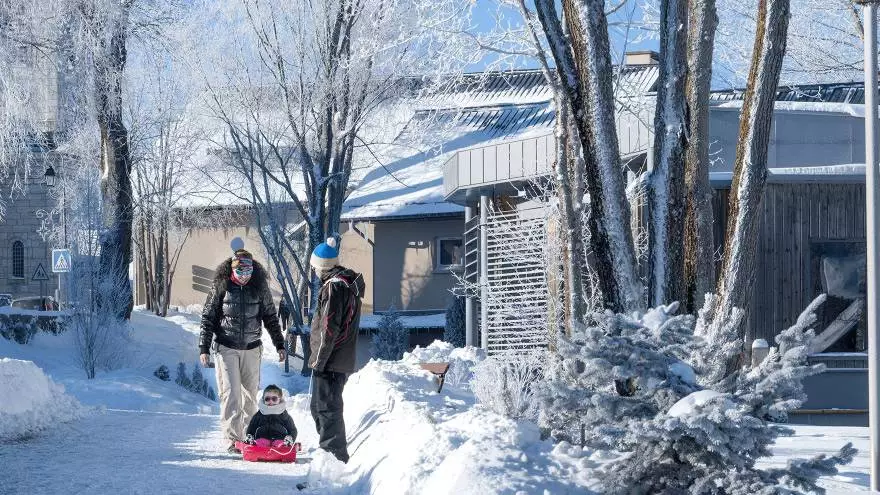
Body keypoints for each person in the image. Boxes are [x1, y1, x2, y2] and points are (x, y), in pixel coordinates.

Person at [199, 246, 286, 453]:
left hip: (252, 348)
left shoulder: (259, 286)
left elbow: (270, 317)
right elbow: (208, 317)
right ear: (232, 270)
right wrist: (203, 347)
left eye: (248, 272)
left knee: (249, 395)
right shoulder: (221, 285)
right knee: (231, 393)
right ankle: (232, 439)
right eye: (240, 272)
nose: (244, 277)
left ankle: (249, 435)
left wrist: (280, 344)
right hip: (226, 347)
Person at [308, 237, 365, 463]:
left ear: (321, 266)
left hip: (331, 360)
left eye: (314, 267)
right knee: (321, 408)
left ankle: (334, 459)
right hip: (338, 359)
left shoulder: (334, 287)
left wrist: (319, 362)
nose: (313, 271)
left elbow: (328, 329)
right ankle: (329, 454)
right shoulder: (345, 283)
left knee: (326, 410)